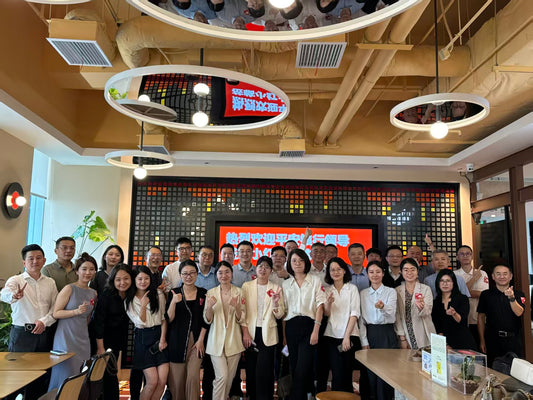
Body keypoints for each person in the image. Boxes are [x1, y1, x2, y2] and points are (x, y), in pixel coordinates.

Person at [0, 244, 57, 399]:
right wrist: (13, 296)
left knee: (40, 376)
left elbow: (55, 308)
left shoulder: (50, 282)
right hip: (21, 335)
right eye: (31, 258)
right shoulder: (16, 280)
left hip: (43, 333)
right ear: (24, 262)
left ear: (44, 260)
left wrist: (44, 321)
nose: (35, 261)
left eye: (38, 258)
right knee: (15, 377)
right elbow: (4, 293)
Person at [49, 253, 97, 390]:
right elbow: (56, 313)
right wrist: (75, 311)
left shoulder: (93, 293)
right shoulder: (69, 288)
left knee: (80, 376)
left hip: (83, 339)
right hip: (65, 338)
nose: (88, 273)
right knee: (64, 375)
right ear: (77, 271)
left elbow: (88, 318)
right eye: (84, 269)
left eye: (91, 269)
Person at [282, 248, 326, 400]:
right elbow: (284, 312)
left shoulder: (315, 280)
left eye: (301, 260)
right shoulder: (286, 284)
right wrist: (284, 336)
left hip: (309, 325)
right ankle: (304, 395)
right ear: (289, 264)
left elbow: (320, 306)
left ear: (306, 262)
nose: (297, 263)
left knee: (303, 366)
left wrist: (316, 330)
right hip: (291, 326)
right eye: (294, 261)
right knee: (294, 365)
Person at [241, 256, 285, 400]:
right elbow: (242, 311)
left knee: (265, 369)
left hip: (268, 333)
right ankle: (252, 396)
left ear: (271, 271)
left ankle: (265, 396)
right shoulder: (247, 286)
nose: (263, 269)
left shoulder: (276, 288)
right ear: (256, 269)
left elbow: (280, 314)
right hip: (250, 332)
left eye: (267, 267)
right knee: (251, 367)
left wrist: (276, 304)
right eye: (260, 266)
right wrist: (245, 332)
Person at [165, 260, 208, 400]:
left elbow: (206, 320)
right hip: (177, 340)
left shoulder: (203, 293)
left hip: (196, 342)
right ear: (180, 275)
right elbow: (169, 319)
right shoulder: (174, 292)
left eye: (192, 273)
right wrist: (173, 302)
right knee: (177, 382)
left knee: (193, 378)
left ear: (197, 274)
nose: (188, 276)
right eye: (185, 274)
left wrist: (201, 340)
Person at [126, 265, 169, 400]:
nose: (143, 281)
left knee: (162, 382)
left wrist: (163, 339)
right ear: (134, 280)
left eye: (146, 278)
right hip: (143, 338)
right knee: (152, 382)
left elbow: (163, 318)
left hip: (159, 336)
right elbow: (140, 322)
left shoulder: (158, 294)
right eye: (139, 279)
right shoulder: (129, 300)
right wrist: (143, 305)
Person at [204, 261, 246, 400]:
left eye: (227, 272)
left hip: (234, 340)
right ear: (216, 275)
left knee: (229, 378)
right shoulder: (211, 293)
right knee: (222, 376)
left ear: (232, 274)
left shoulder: (239, 292)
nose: (224, 275)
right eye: (220, 272)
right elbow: (207, 319)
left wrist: (237, 306)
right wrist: (209, 307)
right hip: (215, 341)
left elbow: (242, 318)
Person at [92, 263, 134, 399]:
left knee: (112, 373)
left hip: (119, 340)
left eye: (126, 278)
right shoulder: (106, 295)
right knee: (107, 376)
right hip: (103, 340)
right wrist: (100, 348)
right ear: (112, 280)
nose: (122, 282)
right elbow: (99, 322)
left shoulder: (131, 295)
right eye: (118, 279)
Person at [323, 257, 362, 393]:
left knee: (346, 371)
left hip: (349, 335)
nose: (336, 272)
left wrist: (347, 337)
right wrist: (328, 303)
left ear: (344, 271)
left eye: (339, 269)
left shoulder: (352, 289)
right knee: (336, 372)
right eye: (332, 270)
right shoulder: (327, 290)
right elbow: (326, 314)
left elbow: (354, 313)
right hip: (331, 335)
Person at [359, 261, 397, 400]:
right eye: (371, 272)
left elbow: (392, 313)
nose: (375, 275)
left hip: (387, 333)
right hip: (370, 333)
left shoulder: (391, 291)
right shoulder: (363, 293)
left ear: (383, 273)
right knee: (370, 371)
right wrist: (364, 341)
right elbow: (361, 320)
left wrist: (382, 308)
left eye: (378, 272)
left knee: (386, 370)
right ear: (367, 274)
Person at [477, 264, 525, 367]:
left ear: (510, 276)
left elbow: (519, 312)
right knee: (493, 369)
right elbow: (481, 317)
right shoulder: (486, 295)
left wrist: (511, 298)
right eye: (498, 274)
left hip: (513, 340)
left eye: (505, 274)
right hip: (492, 340)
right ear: (493, 277)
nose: (502, 277)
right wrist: (482, 340)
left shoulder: (518, 294)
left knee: (514, 370)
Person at [394, 258, 435, 350]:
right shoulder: (397, 290)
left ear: (417, 271)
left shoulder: (425, 289)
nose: (409, 273)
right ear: (401, 272)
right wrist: (402, 338)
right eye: (406, 270)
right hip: (405, 333)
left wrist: (421, 307)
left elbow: (428, 311)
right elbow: (397, 315)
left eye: (413, 269)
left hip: (423, 331)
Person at [431, 269, 477, 350]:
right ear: (438, 283)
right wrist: (444, 344)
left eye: (448, 281)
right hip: (444, 344)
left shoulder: (462, 298)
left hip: (463, 341)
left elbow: (462, 320)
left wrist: (454, 314)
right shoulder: (435, 302)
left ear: (453, 283)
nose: (445, 284)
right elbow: (437, 326)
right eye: (442, 281)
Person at [454, 245, 488, 346]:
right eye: (462, 254)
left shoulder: (482, 273)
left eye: (468, 253)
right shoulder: (454, 275)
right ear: (457, 257)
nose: (465, 256)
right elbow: (458, 295)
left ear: (472, 256)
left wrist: (465, 292)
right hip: (460, 319)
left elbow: (484, 295)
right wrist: (474, 279)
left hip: (479, 318)